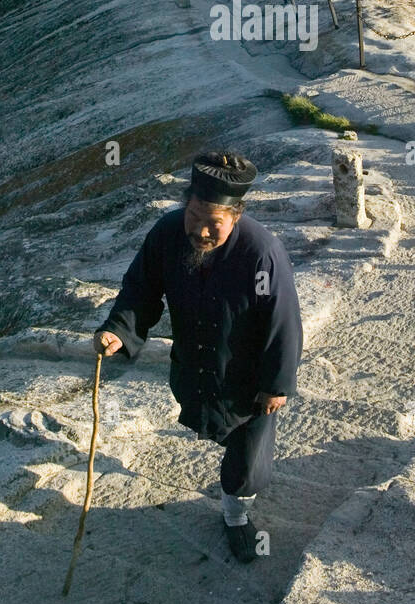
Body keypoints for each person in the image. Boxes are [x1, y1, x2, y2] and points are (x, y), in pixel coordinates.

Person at [94, 150, 303, 562]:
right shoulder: (167, 234)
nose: (201, 231)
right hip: (196, 361)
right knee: (211, 420)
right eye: (194, 216)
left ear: (236, 215)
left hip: (249, 371)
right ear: (185, 204)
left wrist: (276, 384)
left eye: (215, 224)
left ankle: (236, 515)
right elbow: (140, 289)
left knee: (247, 456)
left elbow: (283, 320)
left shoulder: (261, 254)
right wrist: (118, 330)